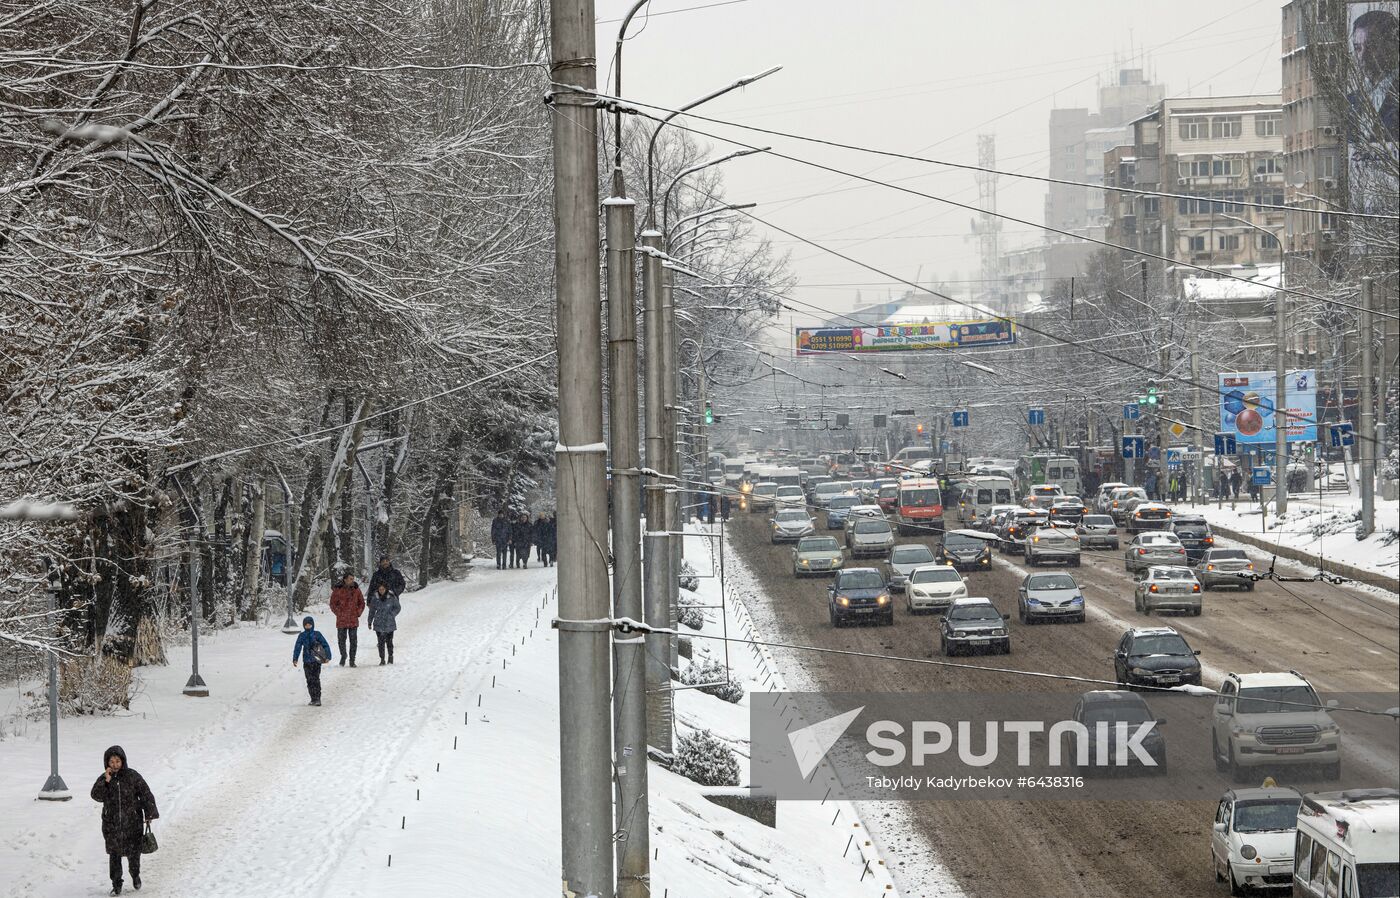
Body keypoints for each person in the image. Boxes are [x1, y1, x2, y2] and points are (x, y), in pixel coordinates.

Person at [91, 745, 159, 896]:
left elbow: (146, 794)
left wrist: (149, 813)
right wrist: (106, 781)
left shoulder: (132, 776)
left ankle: (135, 875)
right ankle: (116, 885)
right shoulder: (104, 778)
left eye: (117, 761)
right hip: (111, 824)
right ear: (107, 763)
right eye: (112, 762)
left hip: (133, 822)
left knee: (134, 853)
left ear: (123, 761)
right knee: (114, 855)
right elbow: (96, 796)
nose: (115, 765)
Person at [292, 615, 332, 706]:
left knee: (316, 679)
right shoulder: (302, 636)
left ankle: (318, 698)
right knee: (309, 680)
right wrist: (295, 658)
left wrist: (327, 656)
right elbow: (297, 647)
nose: (308, 626)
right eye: (306, 625)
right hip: (306, 662)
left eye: (309, 625)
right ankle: (313, 698)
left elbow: (325, 645)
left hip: (316, 661)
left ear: (312, 625)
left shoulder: (317, 634)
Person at [329, 573, 365, 668]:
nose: (352, 580)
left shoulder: (356, 589)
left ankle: (352, 660)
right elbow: (332, 604)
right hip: (341, 620)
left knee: (353, 641)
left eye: (353, 579)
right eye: (350, 579)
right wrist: (339, 613)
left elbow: (362, 603)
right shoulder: (338, 590)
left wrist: (358, 612)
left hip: (353, 619)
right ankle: (343, 656)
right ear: (345, 579)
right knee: (341, 640)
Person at [368, 582, 401, 664]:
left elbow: (398, 607)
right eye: (380, 589)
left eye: (383, 589)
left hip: (389, 622)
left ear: (386, 589)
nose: (381, 591)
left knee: (389, 641)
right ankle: (382, 659)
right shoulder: (375, 598)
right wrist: (369, 621)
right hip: (378, 622)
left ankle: (390, 656)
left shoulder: (392, 597)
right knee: (380, 642)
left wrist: (392, 615)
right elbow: (372, 610)